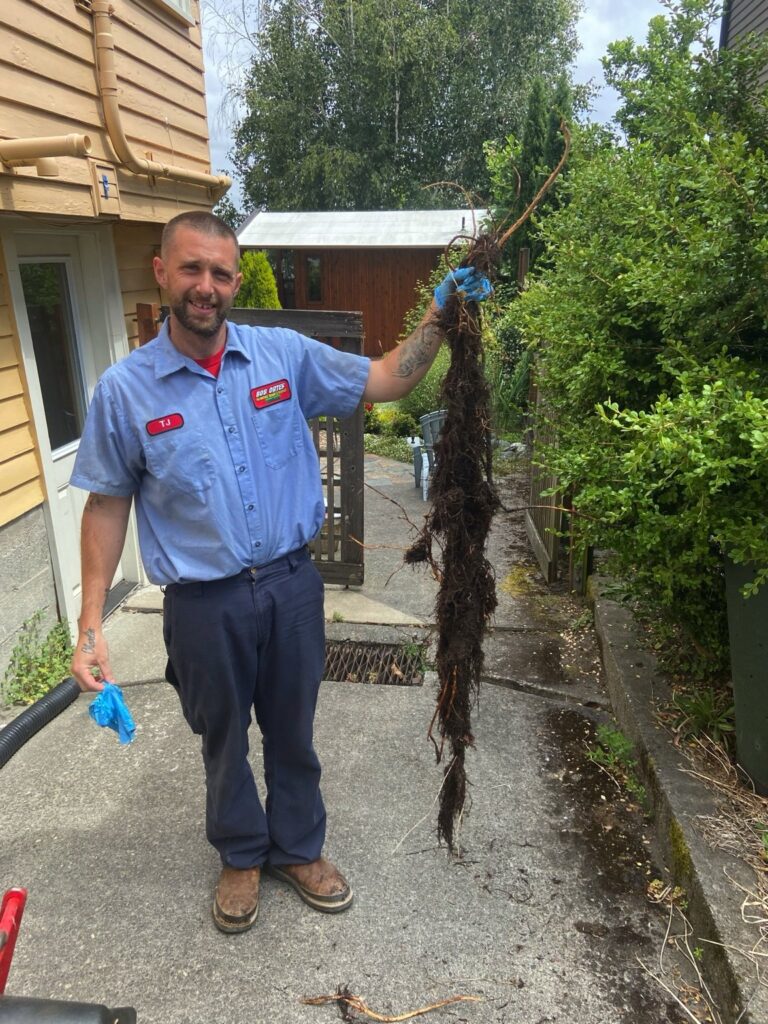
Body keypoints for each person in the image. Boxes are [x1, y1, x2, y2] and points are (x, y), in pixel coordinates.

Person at [69, 211, 491, 934]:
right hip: (204, 603)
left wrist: (439, 319)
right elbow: (106, 505)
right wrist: (90, 623)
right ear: (162, 271)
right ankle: (240, 852)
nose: (207, 287)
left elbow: (387, 379)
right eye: (192, 269)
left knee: (294, 729)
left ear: (235, 281)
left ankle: (298, 847)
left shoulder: (283, 357)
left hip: (293, 587)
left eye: (221, 273)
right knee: (223, 737)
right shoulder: (125, 391)